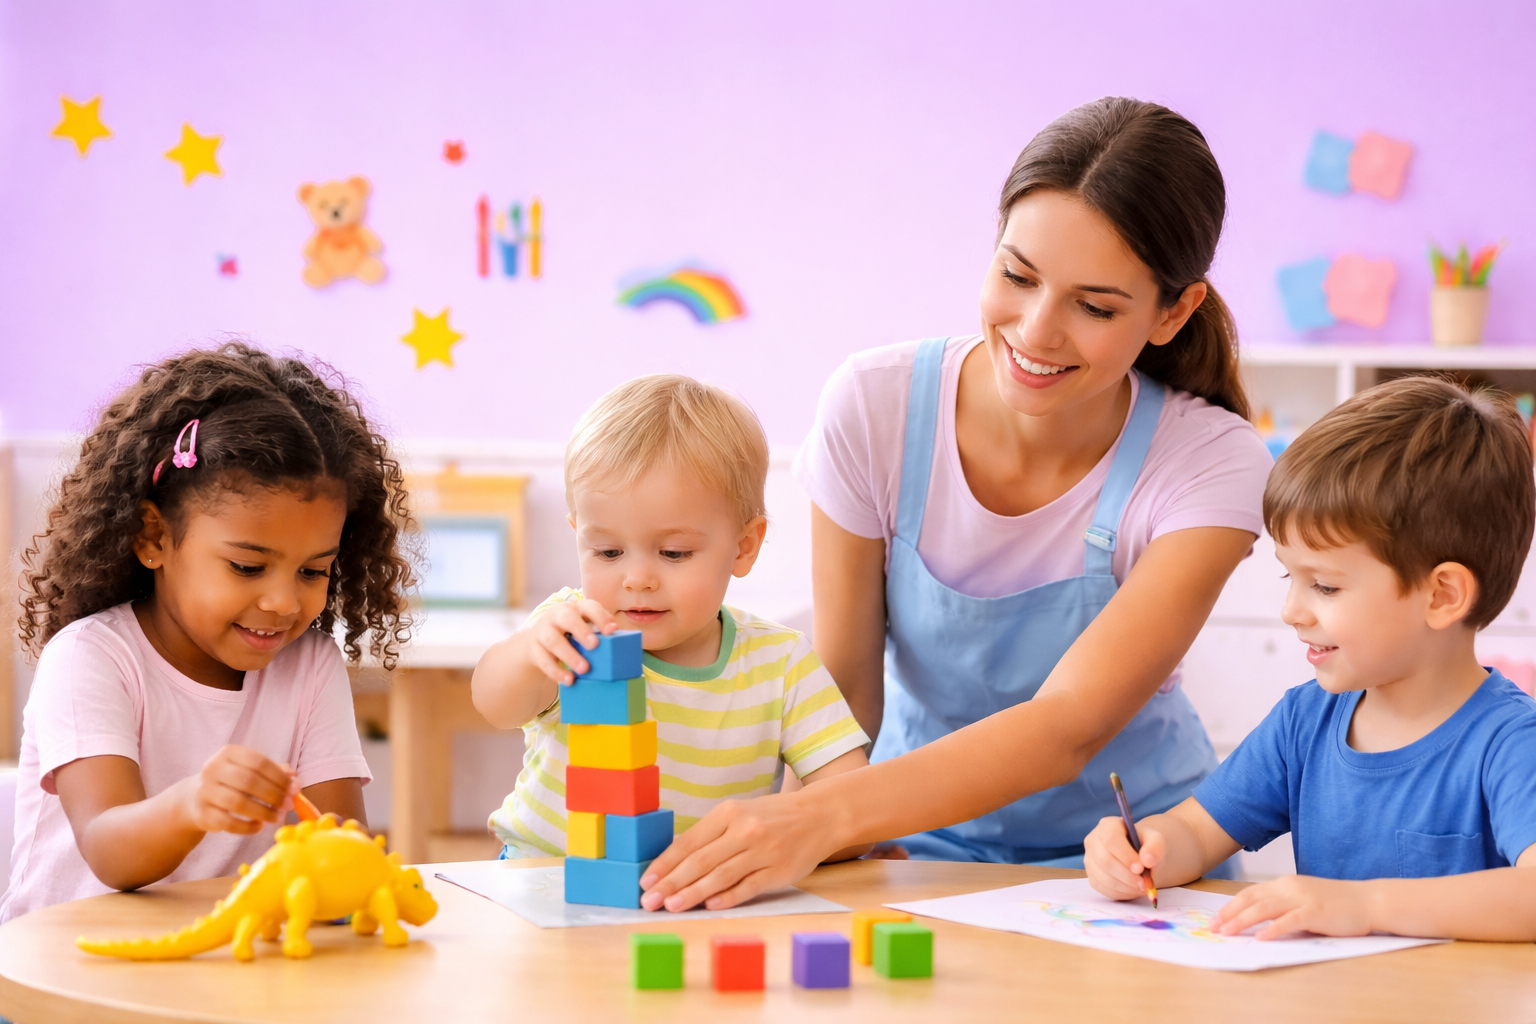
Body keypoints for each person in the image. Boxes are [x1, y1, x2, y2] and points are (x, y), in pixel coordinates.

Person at [638, 96, 1273, 912]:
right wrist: (809, 827)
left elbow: (1066, 727)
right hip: (910, 846)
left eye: (1095, 306)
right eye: (1017, 275)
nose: (1037, 331)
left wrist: (815, 817)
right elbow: (843, 692)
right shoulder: (876, 406)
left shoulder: (1208, 463)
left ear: (1173, 312)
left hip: (1143, 868)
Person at [1085, 377, 1536, 941]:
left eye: (1324, 586)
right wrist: (1142, 851)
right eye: (1288, 576)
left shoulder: (1512, 741)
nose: (1292, 611)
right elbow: (1196, 833)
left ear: (1441, 595)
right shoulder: (1304, 722)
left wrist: (1364, 906)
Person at [2, 343, 412, 922]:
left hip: (224, 974)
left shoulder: (310, 666)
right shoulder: (91, 658)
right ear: (154, 538)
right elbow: (108, 849)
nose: (283, 601)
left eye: (313, 571)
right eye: (247, 567)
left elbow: (341, 847)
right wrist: (192, 803)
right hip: (65, 978)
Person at [473, 375, 871, 859]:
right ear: (579, 534)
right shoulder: (573, 631)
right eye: (608, 550)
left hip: (697, 897)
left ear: (744, 547)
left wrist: (839, 838)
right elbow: (494, 704)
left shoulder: (780, 663)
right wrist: (529, 652)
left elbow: (851, 799)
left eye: (674, 553)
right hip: (546, 877)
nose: (637, 578)